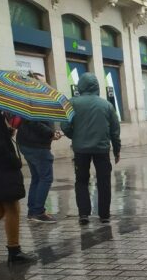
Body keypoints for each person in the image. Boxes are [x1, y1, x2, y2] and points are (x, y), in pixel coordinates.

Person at [62, 73, 121, 226]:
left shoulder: (72, 103)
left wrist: (74, 137)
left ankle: (83, 214)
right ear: (96, 86)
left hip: (80, 150)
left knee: (81, 181)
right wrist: (116, 149)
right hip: (101, 149)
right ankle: (104, 215)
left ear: (80, 86)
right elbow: (115, 129)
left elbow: (65, 125)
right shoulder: (106, 105)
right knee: (104, 181)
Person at [0, 109, 36, 264]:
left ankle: (14, 250)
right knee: (12, 207)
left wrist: (6, 132)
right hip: (1, 168)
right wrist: (13, 161)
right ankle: (14, 251)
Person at [17, 119, 60, 223]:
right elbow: (35, 123)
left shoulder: (32, 103)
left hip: (27, 144)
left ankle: (32, 212)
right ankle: (38, 212)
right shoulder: (39, 104)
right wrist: (51, 134)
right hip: (37, 146)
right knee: (46, 178)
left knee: (36, 178)